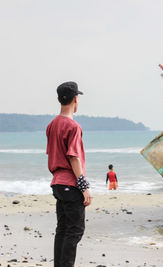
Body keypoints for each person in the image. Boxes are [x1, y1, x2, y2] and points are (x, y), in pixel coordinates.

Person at [46, 81, 92, 267]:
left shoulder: (51, 125)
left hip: (57, 183)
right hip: (70, 184)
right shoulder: (73, 127)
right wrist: (84, 186)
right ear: (75, 99)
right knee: (75, 231)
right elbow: (73, 157)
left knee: (63, 229)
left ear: (59, 99)